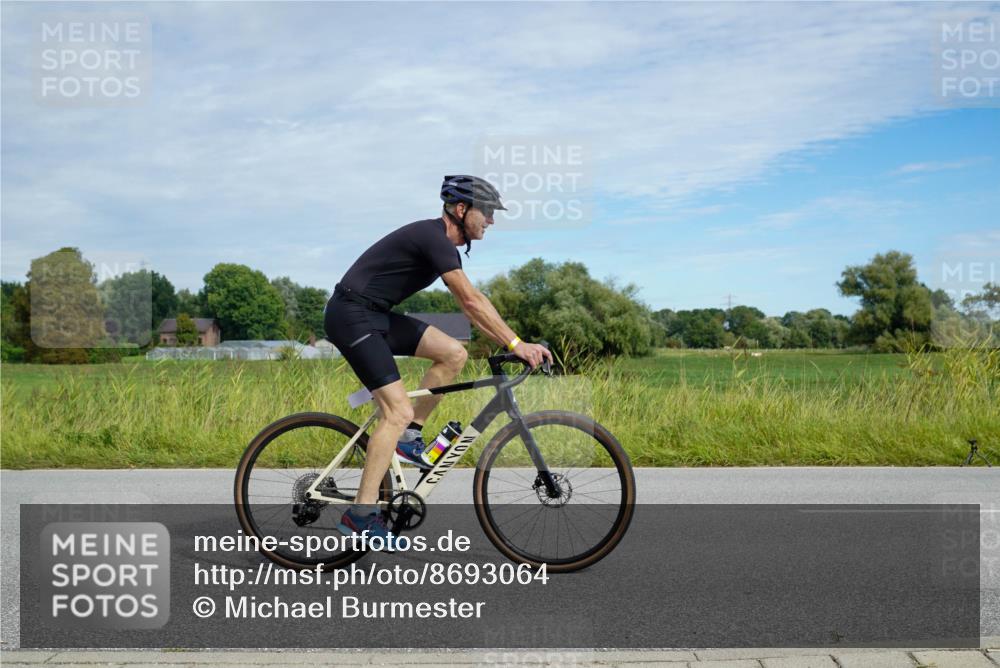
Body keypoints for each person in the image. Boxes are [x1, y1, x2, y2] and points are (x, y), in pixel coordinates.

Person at [323, 175, 553, 546]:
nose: (491, 221)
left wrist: (514, 342)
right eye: (488, 212)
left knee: (453, 353)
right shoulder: (433, 237)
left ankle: (409, 437)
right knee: (394, 412)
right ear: (461, 210)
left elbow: (475, 303)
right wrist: (515, 343)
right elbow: (470, 302)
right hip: (351, 315)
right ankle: (361, 515)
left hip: (374, 315)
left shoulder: (444, 246)